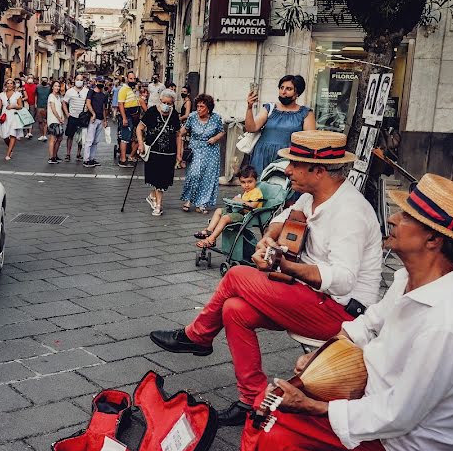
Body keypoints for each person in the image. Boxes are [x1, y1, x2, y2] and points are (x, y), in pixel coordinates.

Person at [182, 173, 453, 451]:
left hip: (411, 442)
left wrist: (314, 405)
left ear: (433, 239)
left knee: (276, 424)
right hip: (381, 402)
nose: (395, 218)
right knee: (270, 405)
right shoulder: (407, 279)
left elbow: (398, 416)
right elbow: (365, 327)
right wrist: (318, 359)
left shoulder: (446, 325)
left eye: (409, 216)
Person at [151, 130, 383, 426]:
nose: (287, 170)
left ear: (319, 170)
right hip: (308, 297)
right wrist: (268, 240)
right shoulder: (312, 197)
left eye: (295, 164)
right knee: (234, 310)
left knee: (235, 275)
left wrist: (286, 266)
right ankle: (253, 399)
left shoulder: (350, 212)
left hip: (342, 314)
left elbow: (343, 280)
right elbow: (281, 218)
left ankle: (197, 336)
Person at [247, 75, 316, 175]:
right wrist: (249, 107)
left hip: (288, 159)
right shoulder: (269, 108)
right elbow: (251, 128)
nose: (283, 92)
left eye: (289, 89)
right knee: (260, 188)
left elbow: (309, 142)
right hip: (262, 155)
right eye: (281, 88)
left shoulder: (306, 113)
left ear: (297, 93)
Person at [136, 89, 183, 216]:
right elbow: (139, 128)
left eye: (170, 103)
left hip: (169, 153)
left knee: (164, 180)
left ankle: (152, 196)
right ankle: (158, 206)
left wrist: (179, 153)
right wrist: (140, 143)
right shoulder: (151, 112)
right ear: (160, 100)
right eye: (165, 102)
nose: (167, 105)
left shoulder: (174, 115)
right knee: (157, 180)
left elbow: (178, 135)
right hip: (154, 151)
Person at [194, 165, 264, 248]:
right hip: (240, 212)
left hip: (248, 216)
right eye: (243, 182)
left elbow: (252, 206)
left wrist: (240, 200)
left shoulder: (256, 192)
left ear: (256, 180)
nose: (246, 185)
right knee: (219, 210)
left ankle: (211, 239)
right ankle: (209, 230)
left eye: (250, 182)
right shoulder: (247, 191)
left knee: (225, 218)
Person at [179, 94, 225, 213]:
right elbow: (183, 131)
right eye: (198, 106)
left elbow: (221, 132)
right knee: (193, 174)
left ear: (208, 108)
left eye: (202, 106)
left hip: (211, 151)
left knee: (207, 177)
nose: (199, 109)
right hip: (195, 149)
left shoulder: (216, 118)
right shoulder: (192, 117)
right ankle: (189, 199)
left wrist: (215, 138)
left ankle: (202, 203)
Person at [0, 78, 24, 161]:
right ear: (5, 85)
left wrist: (13, 106)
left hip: (14, 115)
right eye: (8, 83)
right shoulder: (2, 94)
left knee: (12, 134)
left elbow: (20, 106)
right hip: (5, 116)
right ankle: (10, 148)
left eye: (11, 83)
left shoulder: (17, 94)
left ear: (13, 85)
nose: (10, 85)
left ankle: (8, 153)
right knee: (5, 136)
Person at [82, 79, 108, 167]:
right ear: (96, 83)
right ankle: (86, 159)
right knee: (89, 140)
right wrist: (93, 114)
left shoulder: (104, 95)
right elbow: (88, 103)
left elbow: (104, 108)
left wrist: (105, 120)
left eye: (102, 82)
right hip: (92, 119)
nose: (101, 84)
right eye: (99, 82)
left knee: (96, 141)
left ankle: (92, 158)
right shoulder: (91, 92)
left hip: (100, 119)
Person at [117, 72, 141, 167]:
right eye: (131, 79)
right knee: (125, 137)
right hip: (127, 115)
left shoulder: (132, 89)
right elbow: (120, 104)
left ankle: (125, 158)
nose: (133, 80)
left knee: (129, 137)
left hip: (133, 116)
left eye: (134, 79)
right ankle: (123, 159)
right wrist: (124, 118)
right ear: (127, 78)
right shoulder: (123, 89)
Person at [63, 74, 89, 162]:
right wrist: (67, 113)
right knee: (70, 136)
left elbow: (89, 102)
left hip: (83, 117)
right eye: (78, 79)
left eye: (81, 80)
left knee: (81, 136)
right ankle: (68, 153)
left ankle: (78, 153)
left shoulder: (87, 91)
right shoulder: (69, 91)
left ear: (83, 81)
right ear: (74, 80)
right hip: (72, 117)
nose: (79, 81)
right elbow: (64, 102)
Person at [46, 81, 66, 164]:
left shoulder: (58, 96)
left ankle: (55, 155)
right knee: (53, 139)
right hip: (53, 120)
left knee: (60, 138)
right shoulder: (51, 96)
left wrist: (62, 117)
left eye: (58, 86)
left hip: (58, 120)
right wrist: (58, 118)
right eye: (55, 86)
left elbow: (60, 108)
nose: (57, 88)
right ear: (52, 87)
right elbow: (53, 109)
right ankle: (51, 157)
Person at [176, 84, 193, 169]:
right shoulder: (185, 101)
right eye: (182, 91)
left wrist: (179, 118)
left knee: (182, 143)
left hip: (185, 124)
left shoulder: (188, 102)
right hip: (183, 123)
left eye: (185, 92)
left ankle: (181, 161)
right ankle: (181, 161)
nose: (183, 93)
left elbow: (187, 115)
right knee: (182, 142)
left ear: (188, 93)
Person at [35, 76, 51, 142]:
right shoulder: (38, 87)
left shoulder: (49, 88)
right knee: (40, 121)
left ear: (47, 81)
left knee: (45, 121)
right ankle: (42, 134)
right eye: (43, 80)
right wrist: (35, 103)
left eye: (45, 80)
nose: (44, 81)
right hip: (39, 105)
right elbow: (36, 95)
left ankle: (44, 135)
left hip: (46, 106)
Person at [23, 75, 37, 139]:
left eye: (32, 78)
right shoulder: (24, 86)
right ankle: (26, 131)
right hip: (25, 103)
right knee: (25, 117)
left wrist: (36, 103)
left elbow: (36, 95)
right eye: (29, 78)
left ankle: (29, 132)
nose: (30, 79)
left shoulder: (35, 86)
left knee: (31, 117)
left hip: (32, 103)